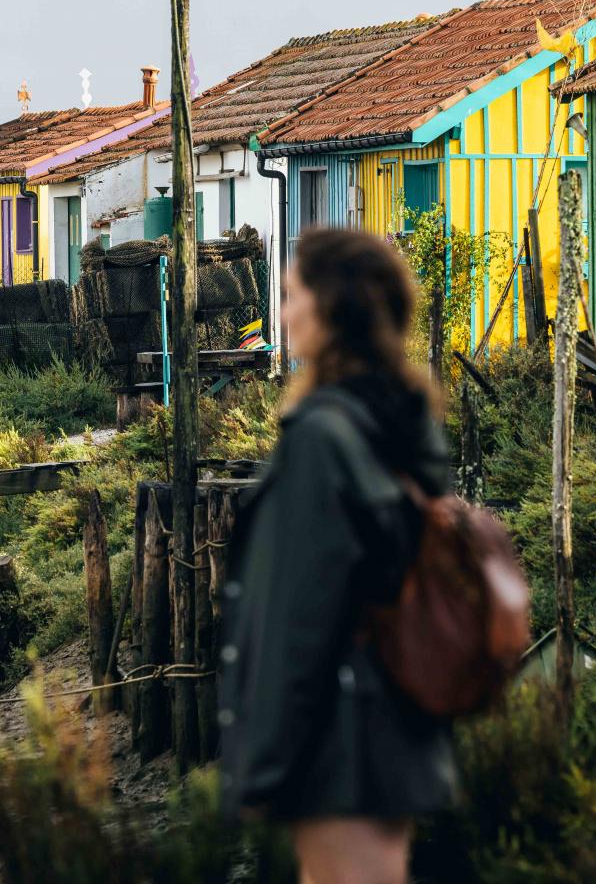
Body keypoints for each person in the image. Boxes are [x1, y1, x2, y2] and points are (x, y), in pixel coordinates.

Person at [219, 227, 456, 884]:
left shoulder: (322, 437)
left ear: (332, 307)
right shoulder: (402, 418)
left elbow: (299, 615)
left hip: (338, 743)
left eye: (292, 296)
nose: (283, 313)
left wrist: (261, 763)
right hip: (397, 725)